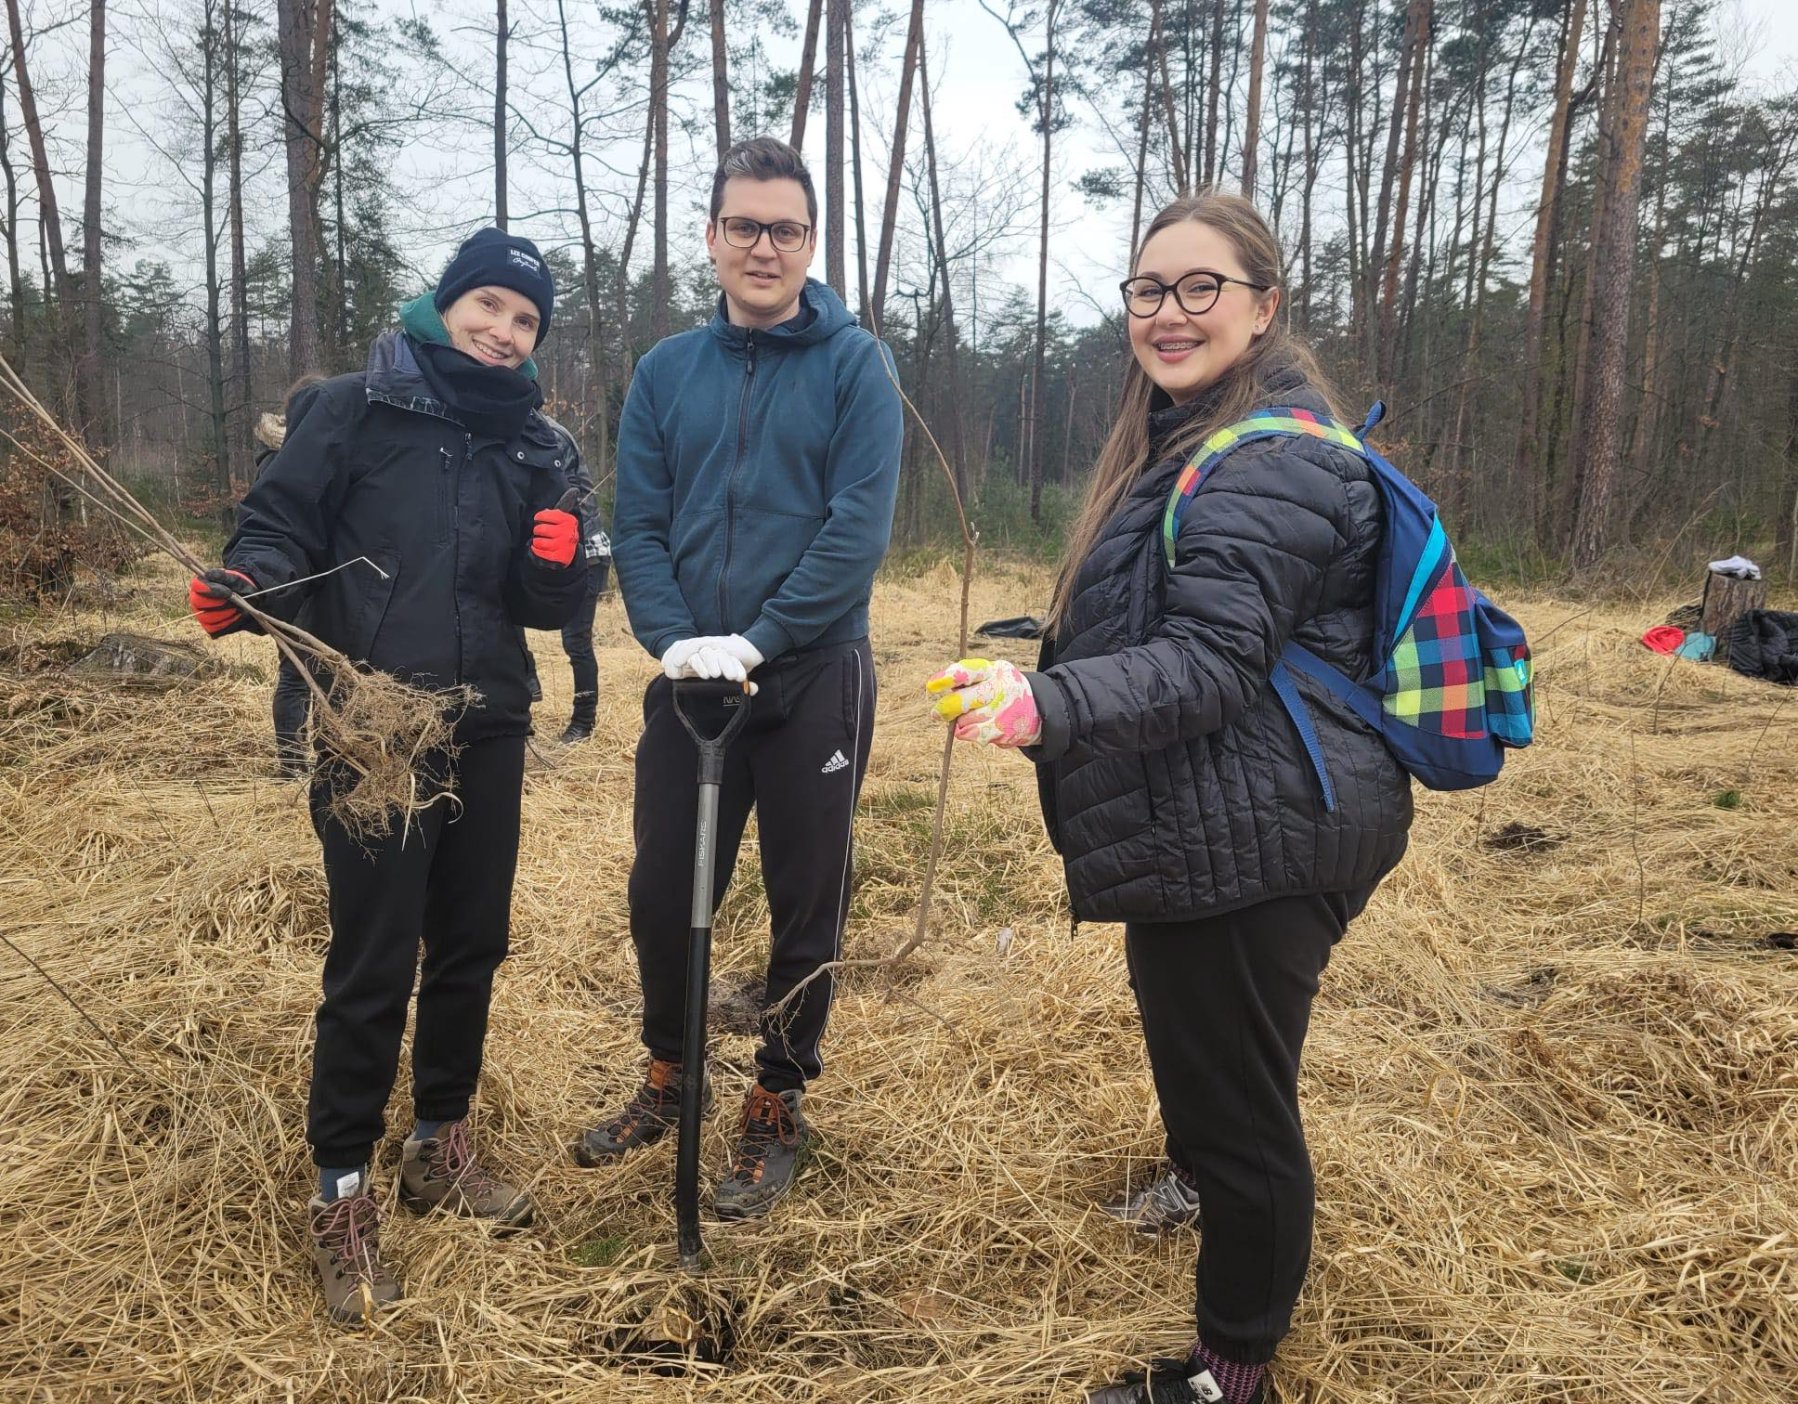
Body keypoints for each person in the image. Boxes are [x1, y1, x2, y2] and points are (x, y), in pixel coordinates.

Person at [925, 191, 1413, 1404]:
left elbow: (1212, 659)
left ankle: (1229, 1368)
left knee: (1242, 1106)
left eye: (1201, 287)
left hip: (1257, 829)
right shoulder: (1199, 436)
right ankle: (1202, 1180)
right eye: (1149, 290)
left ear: (1263, 305)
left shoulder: (1274, 457)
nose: (1170, 312)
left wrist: (1050, 707)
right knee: (1217, 1051)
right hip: (1221, 811)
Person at [186, 228, 589, 1324]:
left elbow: (545, 607)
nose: (504, 334)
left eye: (525, 322)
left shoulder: (535, 446)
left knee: (471, 943)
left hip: (488, 720)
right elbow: (279, 527)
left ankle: (439, 1146)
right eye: (490, 307)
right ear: (446, 302)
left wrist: (560, 567)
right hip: (373, 728)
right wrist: (245, 583)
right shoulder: (353, 406)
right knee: (374, 957)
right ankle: (342, 1191)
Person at [573, 136, 902, 1221]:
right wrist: (672, 641)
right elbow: (644, 521)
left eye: (787, 229)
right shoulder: (668, 371)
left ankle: (774, 1100)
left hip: (812, 676)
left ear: (811, 243)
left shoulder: (857, 365)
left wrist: (759, 639)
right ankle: (670, 1070)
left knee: (807, 897)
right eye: (746, 226)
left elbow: (855, 531)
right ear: (711, 239)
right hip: (687, 681)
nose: (766, 247)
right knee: (666, 889)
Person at [250, 382, 324, 779]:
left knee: (312, 674)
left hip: (319, 584)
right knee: (298, 675)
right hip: (296, 584)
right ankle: (292, 764)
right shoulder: (282, 464)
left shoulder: (309, 456)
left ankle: (315, 758)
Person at [521, 458, 610, 744]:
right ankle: (526, 688)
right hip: (547, 550)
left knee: (576, 642)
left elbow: (565, 498)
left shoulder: (548, 439)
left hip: (584, 552)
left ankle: (583, 721)